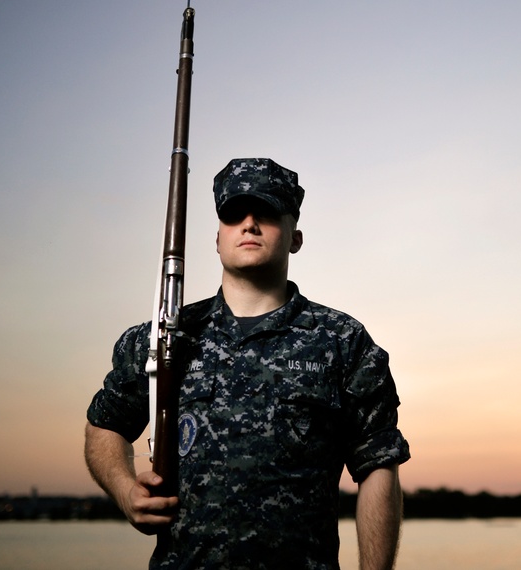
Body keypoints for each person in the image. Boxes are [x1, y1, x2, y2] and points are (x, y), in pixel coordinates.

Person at [85, 158, 410, 569]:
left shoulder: (342, 341)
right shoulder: (164, 339)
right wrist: (125, 490)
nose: (249, 224)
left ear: (296, 237)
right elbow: (104, 426)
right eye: (234, 213)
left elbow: (378, 465)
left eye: (268, 213)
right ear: (217, 238)